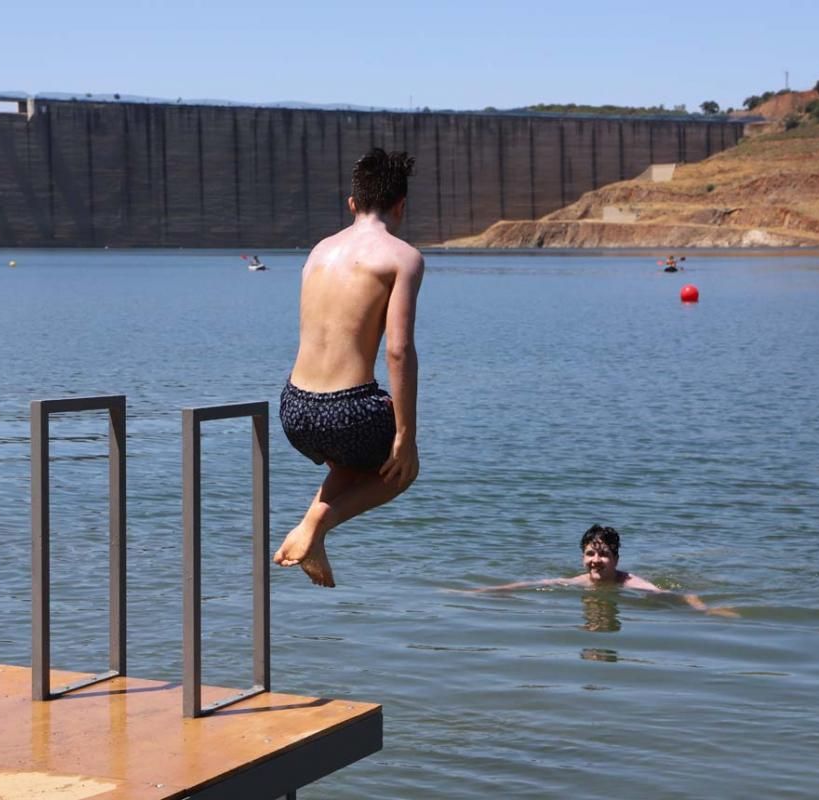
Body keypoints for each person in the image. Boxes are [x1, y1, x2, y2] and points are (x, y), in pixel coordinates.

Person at [273, 149, 425, 588]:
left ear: (352, 203)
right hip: (346, 410)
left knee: (358, 456)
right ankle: (315, 526)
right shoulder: (402, 257)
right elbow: (398, 350)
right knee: (401, 469)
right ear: (401, 206)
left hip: (294, 409)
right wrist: (405, 436)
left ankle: (312, 528)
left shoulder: (320, 251)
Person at [475, 525, 738, 617]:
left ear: (616, 559)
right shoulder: (578, 581)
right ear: (582, 557)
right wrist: (483, 592)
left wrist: (705, 610)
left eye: (603, 554)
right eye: (590, 553)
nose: (596, 560)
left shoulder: (631, 583)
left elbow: (675, 594)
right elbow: (533, 583)